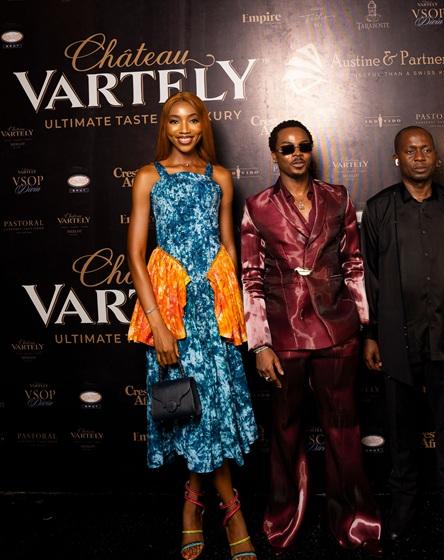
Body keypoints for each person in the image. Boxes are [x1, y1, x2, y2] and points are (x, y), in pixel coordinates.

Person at [240, 120, 382, 556]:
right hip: (283, 335)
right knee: (285, 432)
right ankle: (284, 520)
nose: (297, 153)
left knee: (344, 430)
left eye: (303, 146)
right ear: (274, 155)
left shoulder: (338, 197)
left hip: (339, 332)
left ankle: (356, 522)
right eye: (287, 148)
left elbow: (354, 263)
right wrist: (260, 343)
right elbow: (250, 277)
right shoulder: (257, 205)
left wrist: (363, 324)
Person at [127, 91, 258, 560]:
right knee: (191, 407)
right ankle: (231, 510)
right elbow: (136, 256)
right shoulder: (148, 176)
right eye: (175, 121)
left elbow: (229, 246)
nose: (184, 130)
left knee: (215, 407)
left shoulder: (219, 177)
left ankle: (192, 504)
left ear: (204, 125)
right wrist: (159, 325)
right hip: (172, 310)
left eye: (193, 120)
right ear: (165, 126)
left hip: (215, 307)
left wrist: (237, 311)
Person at [362, 126, 444, 542]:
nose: (419, 156)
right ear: (397, 158)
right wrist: (371, 334)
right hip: (397, 337)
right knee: (400, 427)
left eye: (426, 149)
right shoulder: (378, 209)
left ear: (436, 157)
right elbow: (369, 278)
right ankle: (404, 503)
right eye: (411, 150)